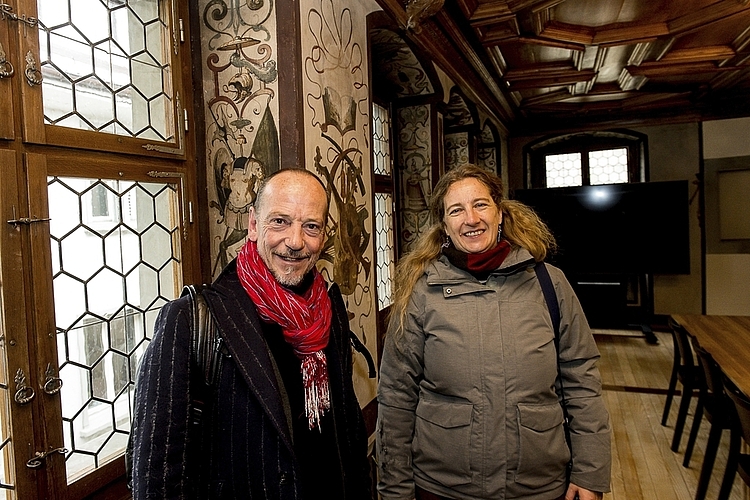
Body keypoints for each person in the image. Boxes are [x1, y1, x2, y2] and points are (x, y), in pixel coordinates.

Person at [130, 168, 372, 499]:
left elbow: (347, 431)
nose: (295, 242)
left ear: (324, 236)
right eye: (280, 222)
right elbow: (158, 476)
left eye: (310, 226)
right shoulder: (191, 320)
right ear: (254, 225)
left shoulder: (328, 309)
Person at [376, 164, 611, 500]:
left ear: (500, 213)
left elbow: (582, 383)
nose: (471, 219)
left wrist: (590, 472)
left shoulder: (549, 284)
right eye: (456, 210)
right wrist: (395, 489)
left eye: (480, 205)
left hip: (538, 486)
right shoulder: (421, 292)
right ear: (444, 225)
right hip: (444, 488)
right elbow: (397, 397)